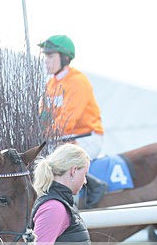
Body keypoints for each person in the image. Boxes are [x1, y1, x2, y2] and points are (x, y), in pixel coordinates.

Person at [38, 34, 107, 207]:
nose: (46, 61)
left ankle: (95, 185)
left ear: (65, 58)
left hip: (86, 137)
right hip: (65, 138)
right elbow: (44, 115)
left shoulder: (78, 81)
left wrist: (47, 132)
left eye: (50, 56)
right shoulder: (51, 84)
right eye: (46, 56)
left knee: (57, 164)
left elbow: (68, 121)